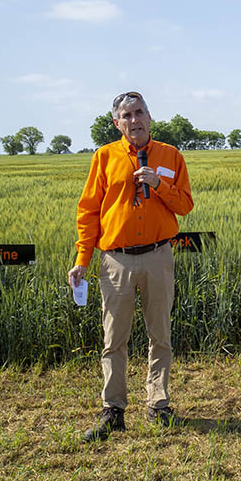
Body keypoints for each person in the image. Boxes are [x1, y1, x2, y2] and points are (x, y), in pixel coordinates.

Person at [68, 91, 194, 442]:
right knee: (114, 338)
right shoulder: (104, 157)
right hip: (116, 260)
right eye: (127, 115)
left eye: (140, 112)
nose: (135, 120)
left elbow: (185, 205)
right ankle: (113, 410)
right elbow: (88, 212)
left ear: (150, 117)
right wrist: (82, 260)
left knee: (161, 335)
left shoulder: (171, 156)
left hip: (158, 256)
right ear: (117, 122)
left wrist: (159, 183)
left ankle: (159, 403)